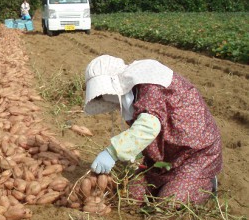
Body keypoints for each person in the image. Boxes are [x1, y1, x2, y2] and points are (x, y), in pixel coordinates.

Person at [84, 55, 222, 205]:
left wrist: (113, 152)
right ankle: (171, 182)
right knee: (130, 198)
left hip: (195, 155)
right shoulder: (132, 96)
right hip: (163, 160)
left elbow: (149, 127)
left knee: (169, 203)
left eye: (103, 94)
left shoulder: (150, 86)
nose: (104, 98)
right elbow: (145, 136)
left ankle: (205, 182)